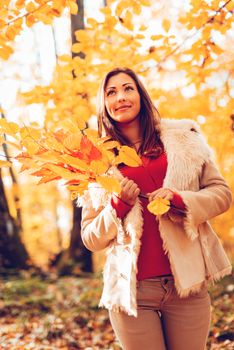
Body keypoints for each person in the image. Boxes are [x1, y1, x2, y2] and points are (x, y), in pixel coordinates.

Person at [79, 67, 232, 350]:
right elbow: (90, 237)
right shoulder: (96, 162)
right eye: (111, 92)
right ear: (104, 104)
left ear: (140, 95)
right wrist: (117, 206)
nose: (120, 97)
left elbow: (222, 194)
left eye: (128, 88)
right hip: (132, 292)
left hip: (186, 286)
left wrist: (180, 199)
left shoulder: (183, 138)